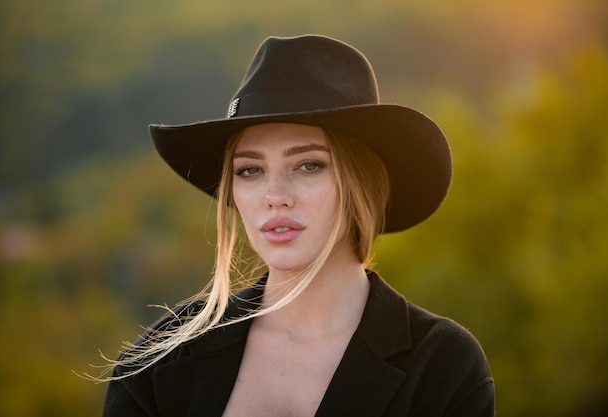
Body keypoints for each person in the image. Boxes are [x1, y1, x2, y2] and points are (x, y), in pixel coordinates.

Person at [100, 34, 495, 416]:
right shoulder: (159, 360)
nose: (275, 195)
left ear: (362, 184)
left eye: (309, 165)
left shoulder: (442, 365)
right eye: (250, 170)